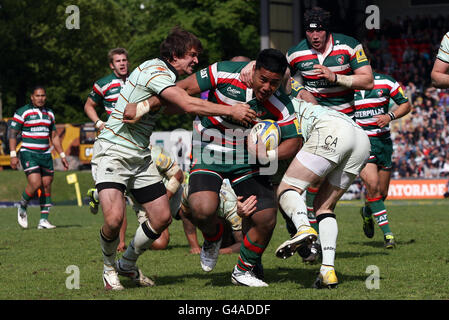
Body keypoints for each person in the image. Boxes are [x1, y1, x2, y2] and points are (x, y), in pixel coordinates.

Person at [92, 26, 255, 291]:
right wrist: (231, 110)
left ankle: (127, 263)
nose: (196, 60)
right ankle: (109, 267)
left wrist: (144, 106)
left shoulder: (164, 74)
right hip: (113, 151)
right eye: (192, 54)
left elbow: (170, 106)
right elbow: (186, 102)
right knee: (112, 220)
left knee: (162, 217)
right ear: (176, 54)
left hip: (140, 155)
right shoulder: (157, 70)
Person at [173, 48, 304, 287]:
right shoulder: (223, 72)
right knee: (201, 208)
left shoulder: (281, 104)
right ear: (253, 70)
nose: (266, 87)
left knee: (265, 216)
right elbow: (180, 91)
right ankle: (212, 238)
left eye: (274, 83)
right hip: (210, 148)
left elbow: (294, 140)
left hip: (248, 158)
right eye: (263, 79)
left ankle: (243, 270)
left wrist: (269, 154)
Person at [284, 6, 374, 257]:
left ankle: (306, 231)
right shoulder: (295, 53)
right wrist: (301, 92)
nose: (315, 36)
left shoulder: (349, 46)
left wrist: (337, 78)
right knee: (310, 183)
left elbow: (368, 80)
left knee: (326, 191)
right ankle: (306, 233)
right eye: (310, 31)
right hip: (315, 124)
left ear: (327, 29)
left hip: (346, 123)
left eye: (319, 30)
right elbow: (283, 78)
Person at [271, 98, 370, 288]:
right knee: (324, 207)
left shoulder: (271, 103)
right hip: (360, 137)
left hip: (332, 130)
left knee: (287, 188)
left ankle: (303, 227)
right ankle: (327, 271)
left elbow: (291, 144)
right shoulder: (296, 95)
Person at [354, 72, 411, 248]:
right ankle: (388, 236)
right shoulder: (345, 87)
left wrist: (390, 116)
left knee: (382, 193)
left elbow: (406, 104)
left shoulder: (386, 82)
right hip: (361, 143)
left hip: (383, 143)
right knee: (373, 186)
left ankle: (367, 211)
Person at [9, 86, 69, 229]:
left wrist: (62, 155)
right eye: (37, 95)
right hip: (29, 153)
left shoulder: (50, 114)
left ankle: (43, 220)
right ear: (32, 97)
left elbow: (54, 137)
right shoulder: (23, 112)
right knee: (35, 183)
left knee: (47, 185)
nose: (40, 98)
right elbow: (12, 134)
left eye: (43, 96)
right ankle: (22, 206)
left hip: (46, 155)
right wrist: (12, 155)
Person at [84, 48, 129, 214]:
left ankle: (96, 194)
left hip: (135, 138)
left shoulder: (137, 80)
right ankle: (121, 240)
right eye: (118, 61)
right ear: (112, 65)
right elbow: (88, 106)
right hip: (113, 140)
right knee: (118, 188)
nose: (122, 63)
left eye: (124, 60)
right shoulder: (103, 84)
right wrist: (98, 123)